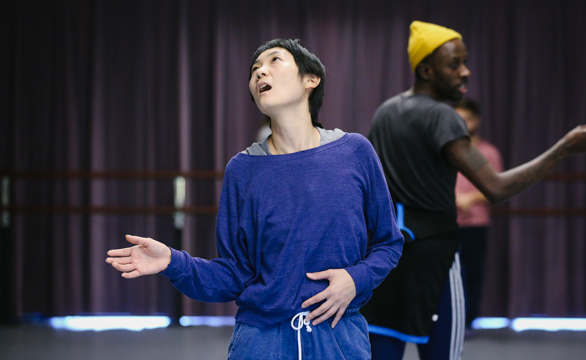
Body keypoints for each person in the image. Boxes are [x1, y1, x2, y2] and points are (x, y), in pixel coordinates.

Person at [106, 38, 404, 360]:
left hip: (339, 339)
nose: (260, 71)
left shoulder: (355, 152)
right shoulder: (243, 169)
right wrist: (172, 262)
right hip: (261, 344)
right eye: (254, 70)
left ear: (310, 79)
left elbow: (388, 244)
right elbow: (234, 274)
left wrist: (354, 279)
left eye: (275, 60)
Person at [361, 21, 586, 360]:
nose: (465, 72)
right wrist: (563, 149)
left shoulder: (385, 112)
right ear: (425, 69)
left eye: (465, 62)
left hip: (387, 258)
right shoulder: (443, 116)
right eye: (454, 64)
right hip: (434, 260)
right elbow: (496, 188)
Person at [452, 99, 503, 335]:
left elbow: (498, 186)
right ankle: (446, 320)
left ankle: (469, 321)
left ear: (477, 120)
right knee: (447, 276)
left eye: (468, 118)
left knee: (472, 272)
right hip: (446, 223)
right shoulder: (445, 150)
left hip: (475, 224)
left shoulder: (489, 152)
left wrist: (469, 199)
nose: (463, 123)